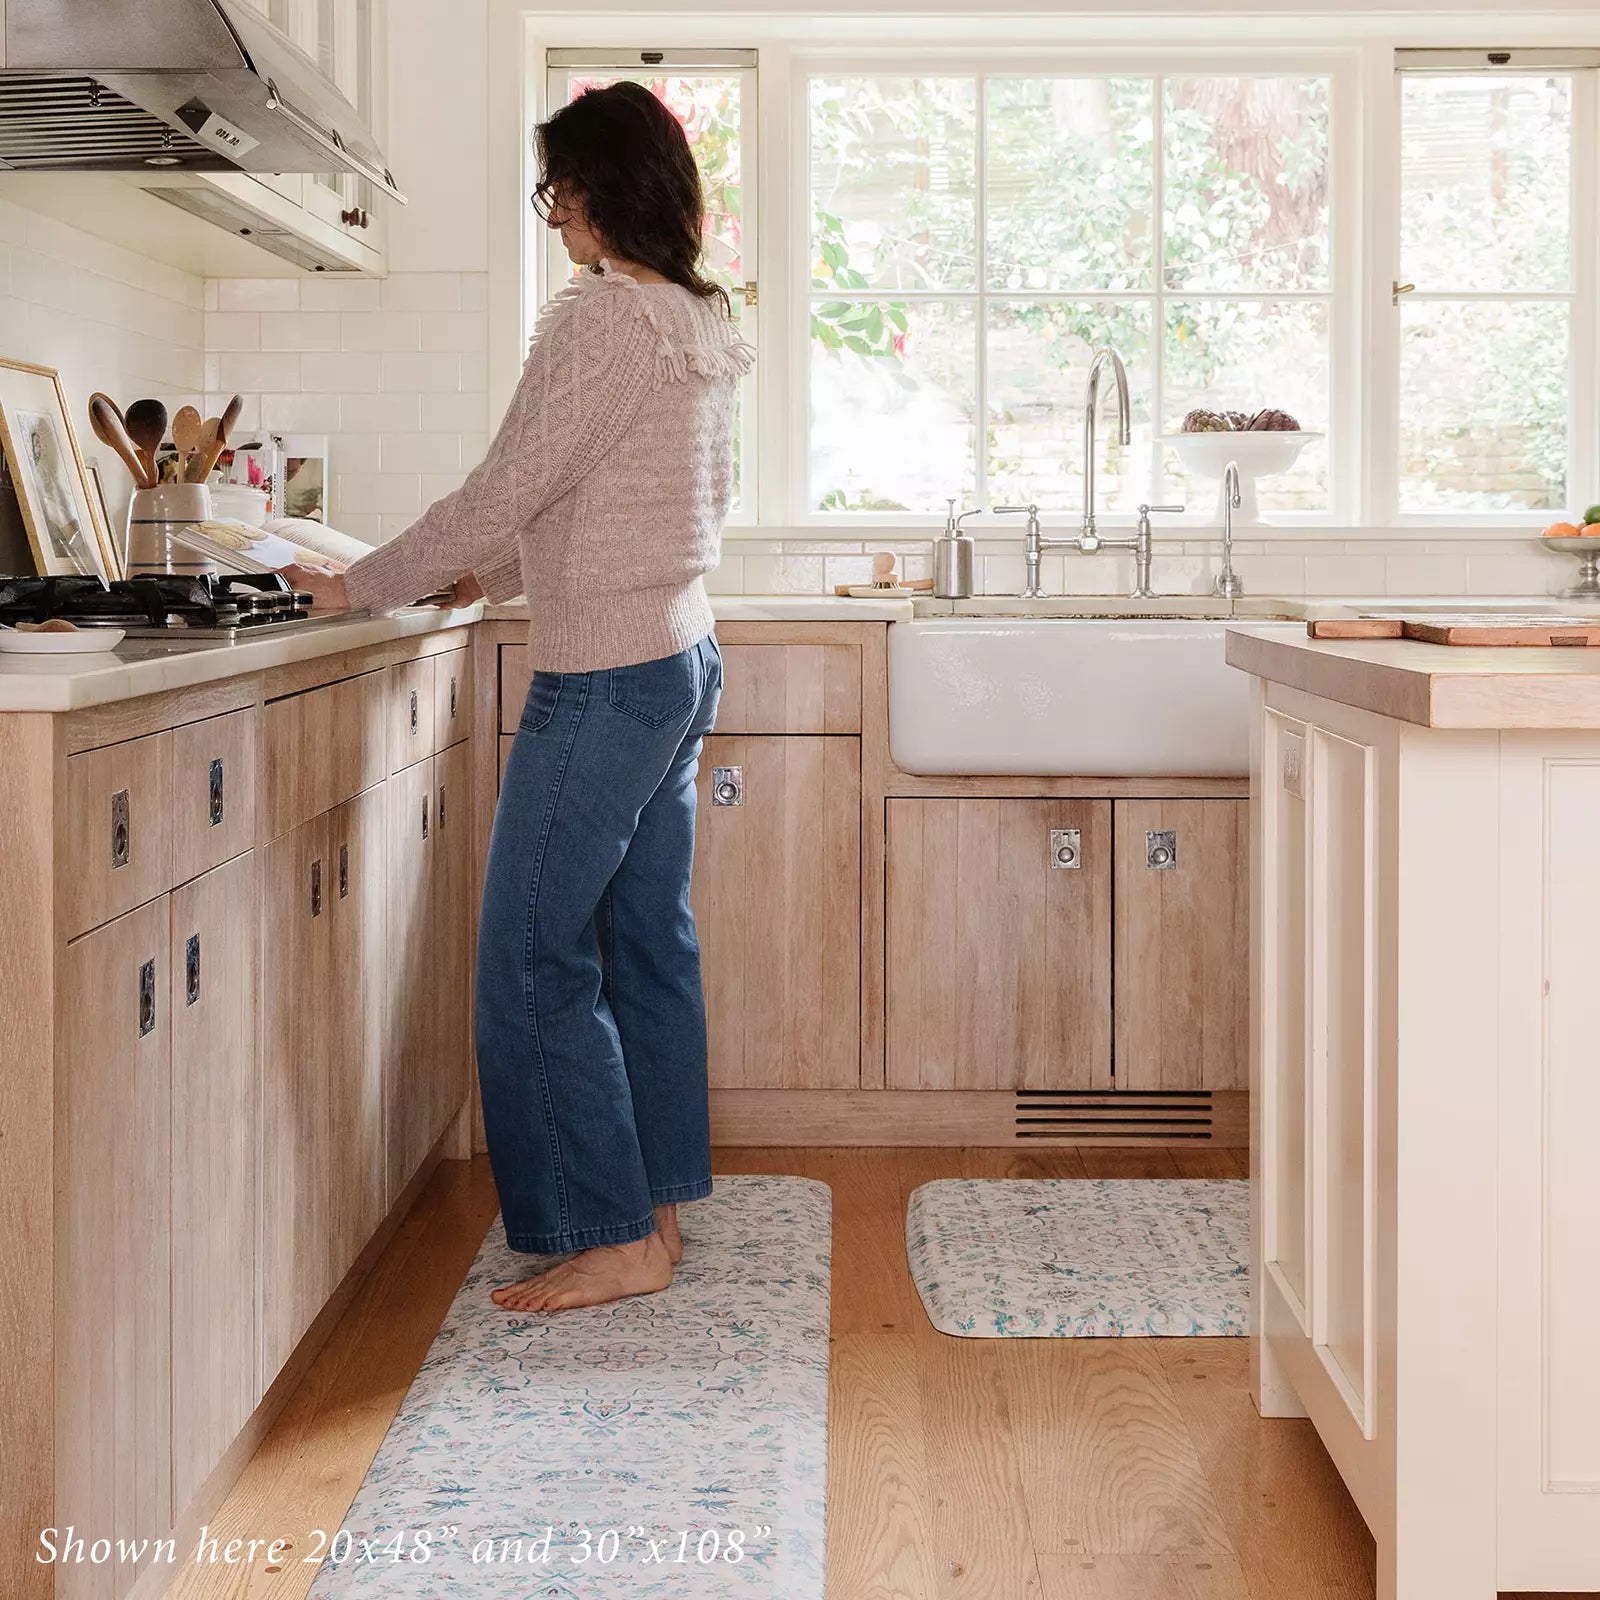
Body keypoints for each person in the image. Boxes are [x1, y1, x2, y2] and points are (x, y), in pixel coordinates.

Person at [287, 81, 752, 1313]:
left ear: (601, 191)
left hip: (605, 674)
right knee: (647, 945)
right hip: (677, 657)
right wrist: (461, 582)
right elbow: (585, 499)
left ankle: (608, 1232)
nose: (556, 221)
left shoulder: (600, 322)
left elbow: (508, 484)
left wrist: (361, 586)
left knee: (533, 955)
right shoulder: (699, 319)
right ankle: (650, 1216)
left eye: (559, 193)